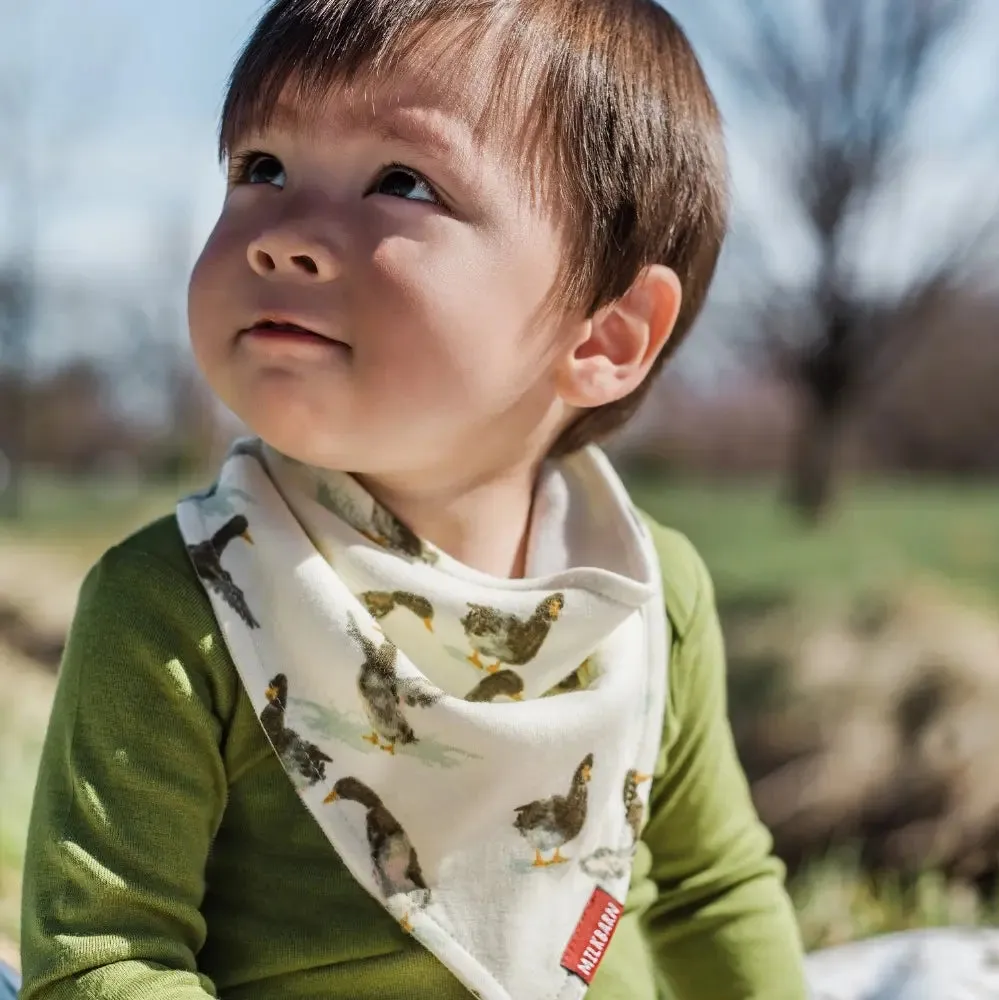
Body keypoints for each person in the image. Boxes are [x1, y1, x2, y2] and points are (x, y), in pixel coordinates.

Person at [18, 1, 808, 997]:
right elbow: (105, 955)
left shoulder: (646, 601)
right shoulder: (181, 605)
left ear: (604, 335)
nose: (283, 236)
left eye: (402, 181)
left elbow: (709, 890)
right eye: (260, 167)